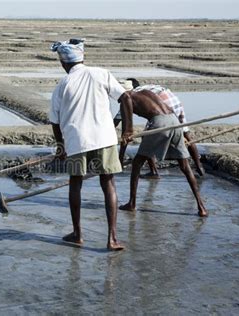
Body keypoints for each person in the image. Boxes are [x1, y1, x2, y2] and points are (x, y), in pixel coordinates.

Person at [50, 38, 129, 251]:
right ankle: (112, 238)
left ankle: (77, 234)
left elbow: (55, 122)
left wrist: (60, 147)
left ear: (63, 63)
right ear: (83, 57)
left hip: (76, 142)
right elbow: (126, 98)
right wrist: (128, 130)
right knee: (108, 183)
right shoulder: (101, 73)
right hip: (105, 139)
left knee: (75, 183)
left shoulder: (62, 85)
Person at [118, 88, 208, 217]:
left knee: (137, 163)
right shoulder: (145, 92)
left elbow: (126, 133)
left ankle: (131, 203)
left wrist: (120, 158)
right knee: (185, 166)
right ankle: (202, 207)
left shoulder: (125, 100)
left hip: (159, 122)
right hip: (174, 120)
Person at [122, 78, 205, 179]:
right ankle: (199, 167)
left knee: (146, 137)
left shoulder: (129, 96)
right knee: (185, 134)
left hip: (164, 105)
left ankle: (154, 172)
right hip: (175, 102)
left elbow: (122, 125)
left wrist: (120, 157)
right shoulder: (147, 88)